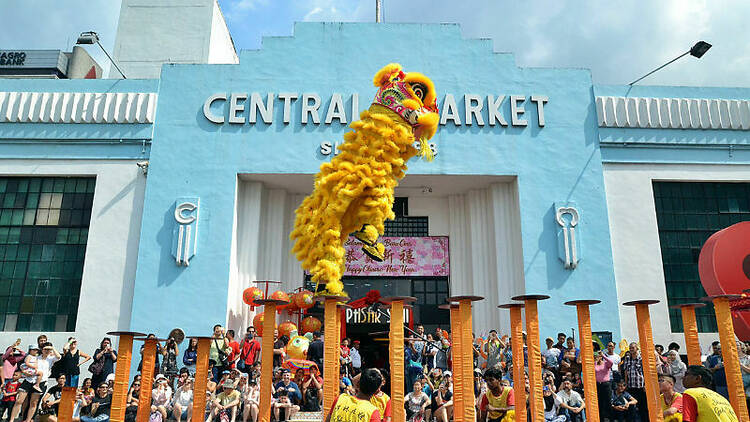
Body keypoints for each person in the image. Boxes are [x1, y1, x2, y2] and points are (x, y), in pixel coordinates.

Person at [620, 342, 647, 422]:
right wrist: (625, 383)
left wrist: (645, 384)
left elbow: (645, 372)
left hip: (640, 386)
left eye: (633, 348)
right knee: (631, 407)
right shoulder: (627, 358)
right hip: (631, 386)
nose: (631, 349)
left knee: (643, 406)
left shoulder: (642, 358)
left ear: (637, 348)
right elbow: (625, 372)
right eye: (630, 348)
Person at [594, 349, 615, 421]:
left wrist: (603, 355)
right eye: (596, 356)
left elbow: (611, 362)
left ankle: (612, 419)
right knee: (600, 403)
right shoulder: (594, 364)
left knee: (608, 402)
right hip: (598, 385)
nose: (597, 357)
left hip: (606, 385)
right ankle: (601, 419)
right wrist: (595, 361)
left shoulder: (606, 363)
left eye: (599, 356)